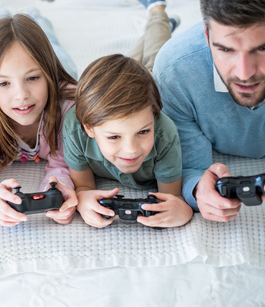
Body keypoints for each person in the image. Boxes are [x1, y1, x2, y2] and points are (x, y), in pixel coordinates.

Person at [152, 0, 265, 222]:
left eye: (262, 48)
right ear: (207, 36)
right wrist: (198, 190)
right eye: (226, 49)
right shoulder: (175, 72)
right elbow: (188, 166)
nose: (244, 73)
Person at [0, 13, 79, 227]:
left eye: (33, 78)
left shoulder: (67, 106)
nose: (21, 95)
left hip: (60, 80)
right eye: (3, 83)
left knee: (53, 47)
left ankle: (38, 18)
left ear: (48, 75)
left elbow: (61, 165)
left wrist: (59, 191)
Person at [63, 54, 193, 228]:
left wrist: (185, 210)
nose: (131, 150)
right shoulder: (74, 129)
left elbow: (172, 198)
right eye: (114, 137)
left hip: (153, 74)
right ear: (89, 129)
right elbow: (83, 186)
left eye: (143, 131)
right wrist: (82, 199)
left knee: (155, 55)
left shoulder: (165, 135)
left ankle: (159, 25)